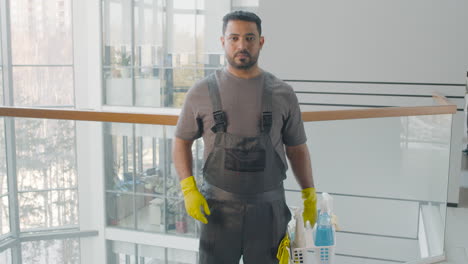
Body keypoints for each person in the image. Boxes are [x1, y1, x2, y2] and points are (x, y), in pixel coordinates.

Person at [172, 10, 317, 264]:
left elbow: (297, 149)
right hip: (216, 212)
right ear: (222, 42)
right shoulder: (200, 92)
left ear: (261, 41)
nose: (242, 45)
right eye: (234, 38)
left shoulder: (283, 93)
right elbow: (181, 141)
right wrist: (188, 188)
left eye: (250, 38)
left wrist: (309, 194)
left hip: (269, 212)